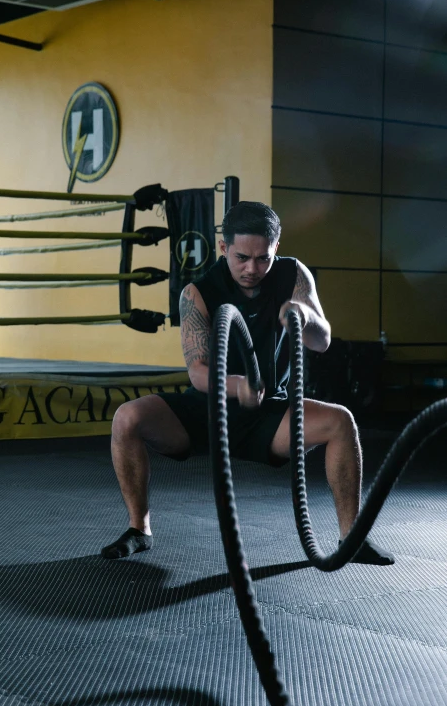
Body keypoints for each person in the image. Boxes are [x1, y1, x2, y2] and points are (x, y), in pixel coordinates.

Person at [101, 201, 394, 565]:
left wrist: (301, 314)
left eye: (263, 259)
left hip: (270, 413)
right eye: (242, 257)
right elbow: (197, 371)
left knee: (341, 421)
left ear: (276, 247)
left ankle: (351, 537)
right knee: (128, 416)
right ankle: (138, 529)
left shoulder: (293, 275)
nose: (252, 268)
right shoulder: (198, 293)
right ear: (224, 247)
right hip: (207, 411)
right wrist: (238, 384)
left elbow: (323, 341)